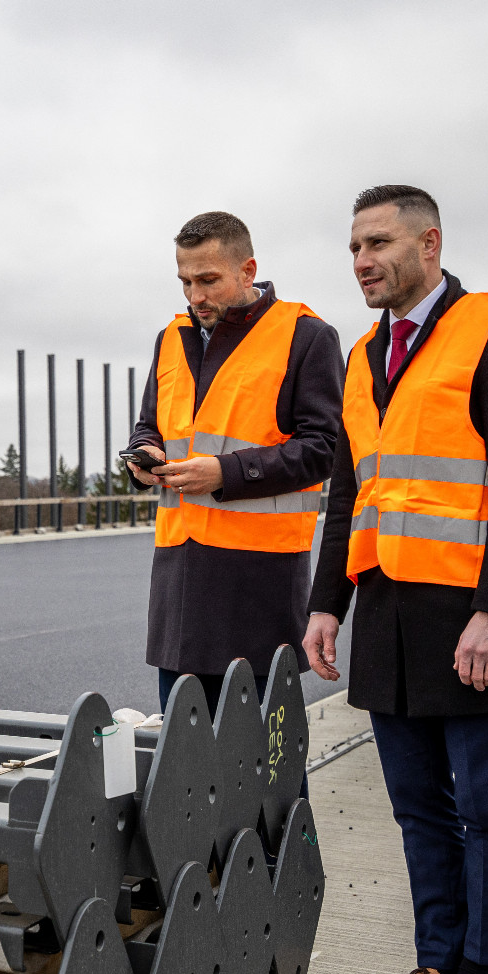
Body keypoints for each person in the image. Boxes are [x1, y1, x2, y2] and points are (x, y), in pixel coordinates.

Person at [302, 185, 488, 974]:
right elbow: (349, 494)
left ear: (430, 244)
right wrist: (327, 604)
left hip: (466, 616)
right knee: (418, 809)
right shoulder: (365, 356)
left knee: (487, 806)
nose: (363, 261)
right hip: (387, 618)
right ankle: (437, 965)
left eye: (378, 243)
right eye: (354, 248)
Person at [125, 211, 342, 711]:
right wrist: (145, 453)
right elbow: (149, 424)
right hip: (178, 580)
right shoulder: (171, 337)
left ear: (248, 271)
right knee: (184, 748)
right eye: (185, 282)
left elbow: (325, 448)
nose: (195, 296)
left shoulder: (306, 336)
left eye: (208, 280)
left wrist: (226, 473)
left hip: (259, 583)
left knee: (258, 750)